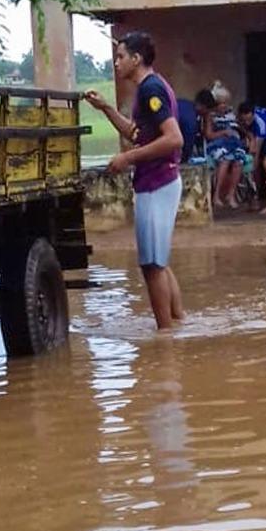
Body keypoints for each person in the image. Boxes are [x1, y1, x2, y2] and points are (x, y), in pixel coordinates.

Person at [82, 32, 186, 330]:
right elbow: (136, 134)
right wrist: (106, 108)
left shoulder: (150, 89)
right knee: (159, 261)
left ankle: (165, 337)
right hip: (159, 180)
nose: (116, 63)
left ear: (136, 59)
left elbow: (174, 138)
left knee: (151, 265)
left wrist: (128, 158)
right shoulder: (149, 88)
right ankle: (178, 325)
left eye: (121, 56)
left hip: (156, 182)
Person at [194, 82, 249, 210]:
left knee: (239, 159)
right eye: (221, 103)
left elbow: (240, 128)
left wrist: (248, 137)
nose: (224, 106)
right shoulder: (210, 116)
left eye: (226, 103)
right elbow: (208, 135)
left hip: (233, 144)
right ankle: (217, 196)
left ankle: (231, 195)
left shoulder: (231, 115)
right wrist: (223, 132)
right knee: (226, 158)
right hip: (217, 144)